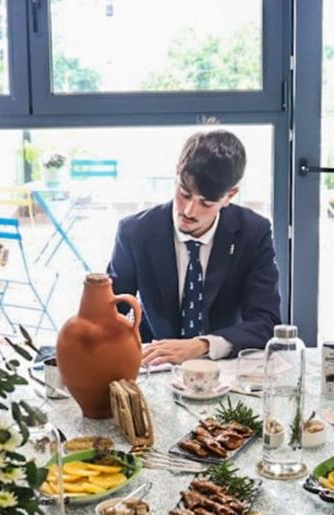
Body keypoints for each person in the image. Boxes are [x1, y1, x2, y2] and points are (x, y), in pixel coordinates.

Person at [106, 129, 281, 365]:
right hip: (155, 364)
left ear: (230, 195)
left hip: (223, 369)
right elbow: (108, 312)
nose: (189, 211)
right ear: (178, 170)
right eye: (184, 193)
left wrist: (202, 346)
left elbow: (266, 321)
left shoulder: (253, 232)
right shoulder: (135, 232)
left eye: (206, 203)